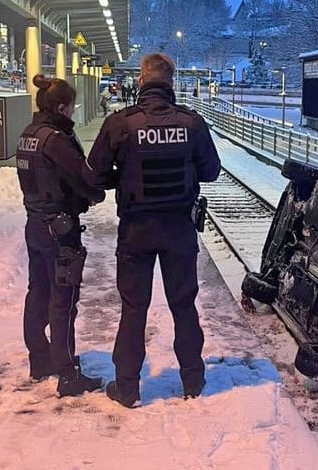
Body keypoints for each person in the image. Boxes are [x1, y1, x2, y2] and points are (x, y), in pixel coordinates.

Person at [84, 53, 221, 408]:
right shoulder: (192, 124)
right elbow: (210, 172)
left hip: (136, 231)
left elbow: (94, 175)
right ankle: (193, 379)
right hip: (179, 230)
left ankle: (128, 387)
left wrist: (124, 177)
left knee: (134, 307)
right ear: (171, 83)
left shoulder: (120, 123)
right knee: (183, 305)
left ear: (141, 81)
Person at [16, 74, 105, 397]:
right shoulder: (56, 139)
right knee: (63, 301)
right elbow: (85, 180)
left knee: (37, 292)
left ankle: (40, 360)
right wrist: (95, 194)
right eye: (71, 106)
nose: (72, 112)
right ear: (61, 106)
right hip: (60, 229)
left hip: (35, 225)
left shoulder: (30, 134)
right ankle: (68, 375)